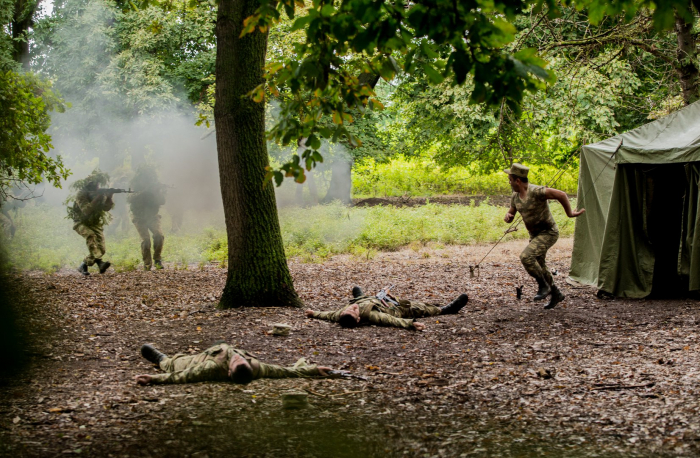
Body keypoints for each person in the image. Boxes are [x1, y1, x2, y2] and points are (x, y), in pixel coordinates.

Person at [503, 163, 585, 309]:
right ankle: (556, 293)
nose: (509, 183)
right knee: (540, 265)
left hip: (548, 232)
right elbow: (512, 212)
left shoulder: (536, 191)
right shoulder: (515, 196)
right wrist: (508, 216)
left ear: (518, 181)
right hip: (534, 235)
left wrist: (570, 213)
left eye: (510, 179)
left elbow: (561, 195)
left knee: (526, 257)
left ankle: (543, 286)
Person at [134, 343, 332, 385]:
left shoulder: (213, 369)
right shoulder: (254, 366)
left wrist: (153, 378)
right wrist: (315, 369)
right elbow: (286, 372)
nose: (238, 358)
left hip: (193, 362)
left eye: (237, 362)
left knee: (171, 363)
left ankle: (160, 358)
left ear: (229, 373)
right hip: (214, 349)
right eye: (241, 360)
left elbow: (182, 377)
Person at [305, 286, 469, 331]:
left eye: (349, 309)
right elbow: (392, 320)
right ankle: (445, 310)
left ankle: (360, 295)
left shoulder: (339, 315)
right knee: (419, 307)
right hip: (393, 308)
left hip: (370, 299)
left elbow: (326, 315)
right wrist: (411, 324)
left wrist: (313, 314)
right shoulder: (374, 316)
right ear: (359, 318)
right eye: (354, 311)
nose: (352, 308)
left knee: (358, 293)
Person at [67, 170, 115, 276]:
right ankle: (100, 263)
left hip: (95, 223)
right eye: (94, 184)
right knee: (91, 236)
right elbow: (86, 210)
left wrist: (109, 197)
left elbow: (106, 208)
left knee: (101, 249)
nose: (96, 186)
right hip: (80, 222)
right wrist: (97, 198)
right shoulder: (81, 194)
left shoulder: (99, 194)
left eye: (97, 184)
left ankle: (83, 265)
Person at [128, 165, 166, 270]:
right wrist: (144, 191)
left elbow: (162, 201)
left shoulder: (155, 187)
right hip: (139, 217)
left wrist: (157, 191)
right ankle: (147, 264)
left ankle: (157, 259)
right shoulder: (135, 185)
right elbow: (129, 198)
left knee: (159, 235)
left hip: (152, 216)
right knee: (145, 240)